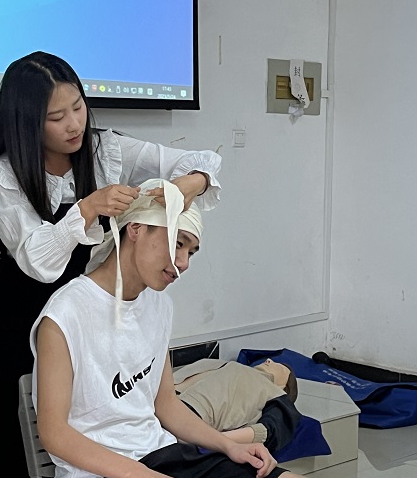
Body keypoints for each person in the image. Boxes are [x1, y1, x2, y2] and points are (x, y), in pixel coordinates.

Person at [0, 51, 222, 476]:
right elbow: (39, 261)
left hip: (88, 318)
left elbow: (203, 161)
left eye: (78, 107)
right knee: (17, 445)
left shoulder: (105, 150)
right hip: (18, 325)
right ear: (27, 123)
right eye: (56, 117)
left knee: (92, 426)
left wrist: (189, 184)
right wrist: (87, 208)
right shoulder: (7, 178)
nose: (74, 124)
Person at [30, 180, 304, 478]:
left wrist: (229, 446)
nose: (183, 263)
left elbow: (166, 405)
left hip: (162, 455)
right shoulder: (66, 312)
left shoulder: (159, 306)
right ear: (135, 229)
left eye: (191, 252)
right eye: (177, 243)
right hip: (100, 470)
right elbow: (54, 434)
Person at [173, 358, 301, 451]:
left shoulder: (274, 393)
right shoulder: (229, 366)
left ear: (283, 387)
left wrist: (211, 439)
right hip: (166, 403)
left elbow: (271, 429)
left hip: (189, 420)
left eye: (278, 367)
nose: (268, 360)